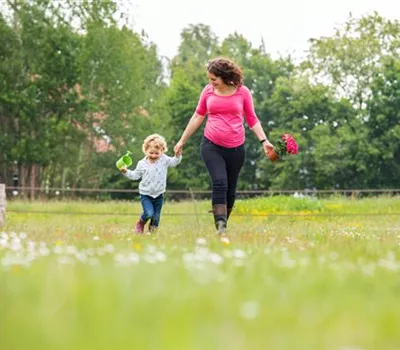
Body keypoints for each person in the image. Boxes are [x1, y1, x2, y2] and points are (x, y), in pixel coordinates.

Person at [174, 57, 274, 235]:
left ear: (225, 76)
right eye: (210, 79)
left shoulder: (242, 92)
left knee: (231, 189)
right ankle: (221, 228)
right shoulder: (208, 91)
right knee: (219, 182)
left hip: (236, 148)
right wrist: (182, 140)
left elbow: (252, 119)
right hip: (211, 144)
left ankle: (223, 222)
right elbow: (198, 116)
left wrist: (264, 141)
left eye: (214, 79)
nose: (211, 83)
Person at [120, 133, 182, 233]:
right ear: (146, 150)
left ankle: (151, 236)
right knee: (149, 213)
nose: (153, 155)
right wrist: (126, 172)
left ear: (162, 151)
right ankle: (141, 222)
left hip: (159, 194)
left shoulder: (164, 160)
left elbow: (174, 162)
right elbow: (135, 175)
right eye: (151, 153)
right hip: (146, 194)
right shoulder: (142, 163)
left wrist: (177, 155)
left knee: (156, 218)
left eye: (156, 153)